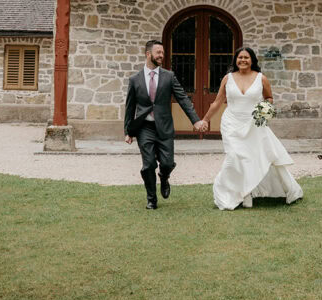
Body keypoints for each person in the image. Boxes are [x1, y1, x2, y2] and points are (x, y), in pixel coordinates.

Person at [203, 45, 303, 210]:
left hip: (254, 123)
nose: (242, 60)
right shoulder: (227, 78)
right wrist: (206, 120)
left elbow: (269, 98)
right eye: (240, 57)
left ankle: (249, 193)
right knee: (233, 157)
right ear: (236, 60)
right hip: (231, 123)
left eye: (246, 57)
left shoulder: (261, 78)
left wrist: (264, 110)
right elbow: (217, 102)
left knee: (255, 158)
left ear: (252, 60)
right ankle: (235, 194)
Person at [124, 39, 207, 209]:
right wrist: (128, 131)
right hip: (144, 128)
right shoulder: (135, 79)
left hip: (165, 127)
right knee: (148, 165)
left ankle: (164, 176)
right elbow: (130, 106)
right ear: (148, 54)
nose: (162, 55)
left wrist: (196, 120)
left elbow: (183, 98)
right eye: (158, 52)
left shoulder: (169, 76)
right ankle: (151, 199)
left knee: (167, 163)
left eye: (162, 52)